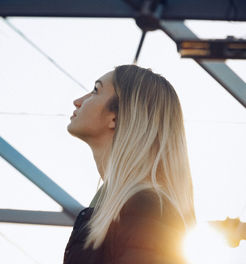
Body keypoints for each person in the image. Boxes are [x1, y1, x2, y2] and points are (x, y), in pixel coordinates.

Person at [64, 65, 196, 264]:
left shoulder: (146, 207)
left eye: (95, 91)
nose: (78, 101)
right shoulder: (123, 207)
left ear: (116, 117)